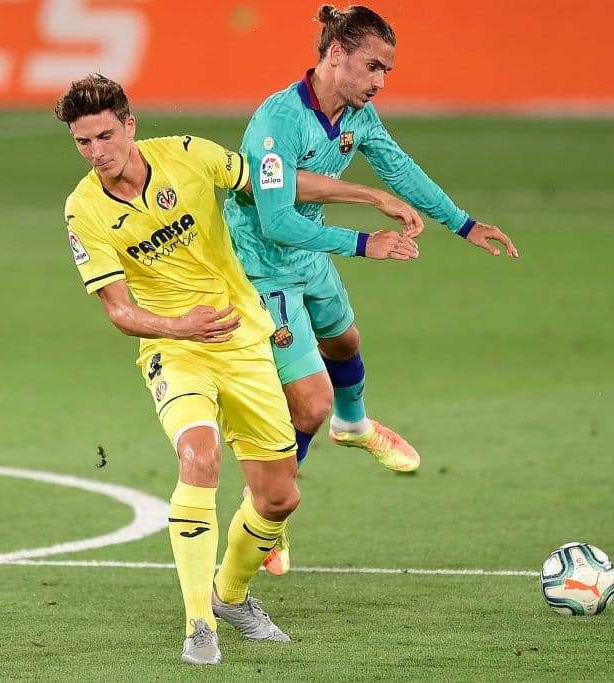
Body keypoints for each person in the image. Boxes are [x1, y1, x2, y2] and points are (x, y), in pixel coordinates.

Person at [54, 74, 418, 666]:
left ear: (130, 126)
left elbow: (274, 185)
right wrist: (180, 328)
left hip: (244, 339)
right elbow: (120, 310)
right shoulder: (84, 210)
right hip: (174, 348)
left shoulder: (191, 157)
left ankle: (231, 596)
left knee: (278, 500)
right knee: (199, 456)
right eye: (82, 142)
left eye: (104, 135)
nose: (97, 152)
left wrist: (371, 197)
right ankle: (199, 623)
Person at [223, 4, 519, 576]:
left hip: (307, 254)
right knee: (309, 403)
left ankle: (354, 427)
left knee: (345, 343)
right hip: (263, 267)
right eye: (373, 66)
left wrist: (463, 223)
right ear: (336, 54)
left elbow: (400, 170)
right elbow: (275, 221)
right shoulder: (277, 121)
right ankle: (267, 514)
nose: (380, 81)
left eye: (387, 71)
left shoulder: (359, 115)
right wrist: (365, 242)